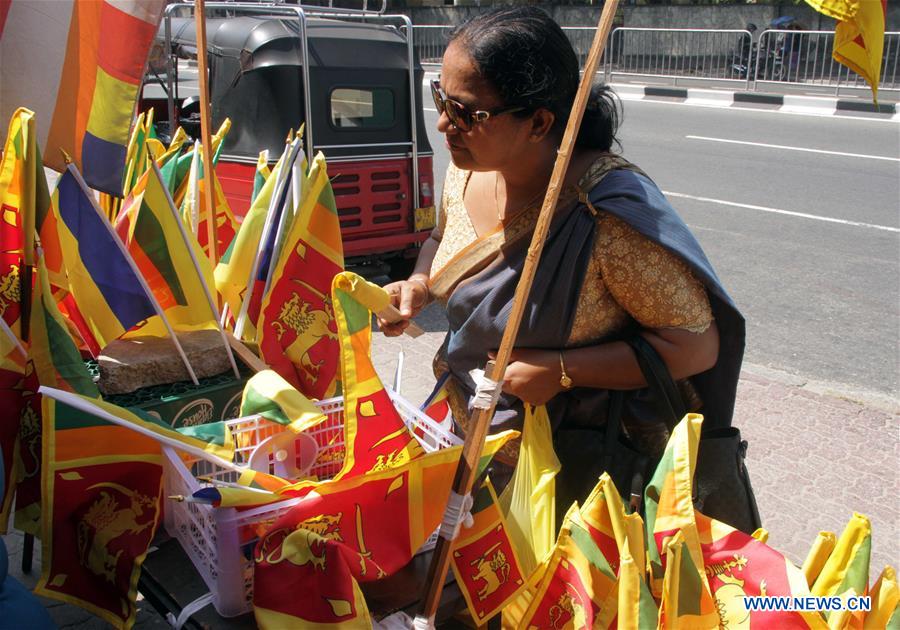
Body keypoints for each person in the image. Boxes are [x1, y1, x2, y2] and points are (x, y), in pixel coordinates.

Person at [379, 6, 745, 510]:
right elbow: (442, 239)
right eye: (440, 97)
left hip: (570, 477)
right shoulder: (467, 169)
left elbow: (696, 346)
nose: (444, 123)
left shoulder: (604, 219)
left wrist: (564, 370)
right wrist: (419, 285)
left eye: (466, 112)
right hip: (471, 437)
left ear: (540, 122)